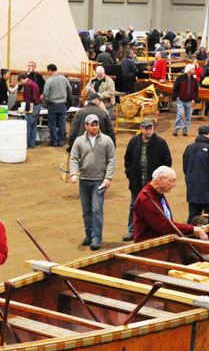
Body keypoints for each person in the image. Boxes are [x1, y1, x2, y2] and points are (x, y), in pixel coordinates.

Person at [69, 114, 115, 250]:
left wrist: (108, 177)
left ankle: (96, 238)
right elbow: (74, 158)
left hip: (99, 181)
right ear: (86, 126)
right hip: (83, 180)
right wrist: (73, 173)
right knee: (86, 210)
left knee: (96, 209)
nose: (95, 127)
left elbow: (111, 159)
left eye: (96, 125)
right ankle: (88, 234)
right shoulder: (79, 141)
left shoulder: (106, 141)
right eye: (92, 125)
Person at [133, 166, 209, 243]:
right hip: (148, 248)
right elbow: (164, 227)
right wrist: (193, 229)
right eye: (171, 181)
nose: (174, 184)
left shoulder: (158, 194)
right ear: (160, 179)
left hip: (160, 242)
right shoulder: (146, 199)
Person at [123, 119, 172, 240]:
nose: (149, 130)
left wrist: (161, 181)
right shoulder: (134, 142)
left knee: (156, 208)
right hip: (137, 183)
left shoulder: (160, 143)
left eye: (151, 128)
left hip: (154, 186)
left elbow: (167, 162)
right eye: (146, 128)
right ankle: (132, 230)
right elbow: (127, 159)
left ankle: (156, 230)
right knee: (134, 206)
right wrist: (130, 174)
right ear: (141, 128)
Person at [182, 124, 209, 223]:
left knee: (193, 216)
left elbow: (185, 168)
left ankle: (188, 237)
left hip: (192, 189)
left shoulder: (189, 148)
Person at [43, 65, 72, 147]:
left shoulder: (49, 80)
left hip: (52, 104)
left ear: (50, 70)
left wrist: (46, 101)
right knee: (62, 123)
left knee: (52, 123)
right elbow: (70, 89)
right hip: (63, 104)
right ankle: (61, 141)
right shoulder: (64, 79)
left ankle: (54, 141)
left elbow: (45, 93)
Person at [172, 63, 200, 137]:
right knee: (180, 114)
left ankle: (185, 130)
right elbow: (175, 88)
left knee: (188, 116)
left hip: (189, 101)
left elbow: (196, 90)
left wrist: (194, 99)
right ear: (189, 70)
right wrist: (177, 96)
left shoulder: (194, 80)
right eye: (193, 69)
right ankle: (176, 129)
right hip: (180, 100)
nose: (194, 70)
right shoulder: (180, 78)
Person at [19, 70, 43, 147]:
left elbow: (27, 98)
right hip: (38, 106)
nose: (21, 83)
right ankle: (32, 143)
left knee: (28, 127)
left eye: (20, 81)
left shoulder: (27, 85)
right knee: (34, 126)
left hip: (32, 107)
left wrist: (26, 109)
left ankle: (25, 144)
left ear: (22, 79)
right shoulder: (33, 83)